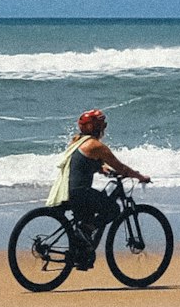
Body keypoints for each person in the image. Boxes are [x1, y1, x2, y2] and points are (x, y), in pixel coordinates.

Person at [50, 109, 151, 268]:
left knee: (89, 217)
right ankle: (84, 231)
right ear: (95, 127)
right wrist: (139, 176)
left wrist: (101, 168)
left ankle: (82, 255)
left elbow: (83, 163)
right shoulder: (96, 145)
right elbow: (121, 167)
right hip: (81, 193)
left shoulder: (77, 141)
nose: (104, 128)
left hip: (68, 192)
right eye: (102, 125)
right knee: (113, 209)